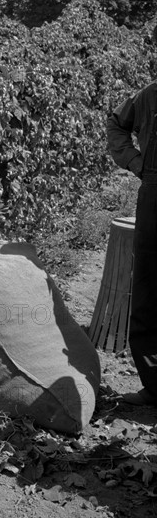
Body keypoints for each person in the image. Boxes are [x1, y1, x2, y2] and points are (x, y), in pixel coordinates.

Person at [106, 35, 157, 406]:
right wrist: (136, 163)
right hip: (155, 191)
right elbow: (116, 126)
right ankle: (154, 384)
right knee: (149, 287)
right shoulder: (149, 96)